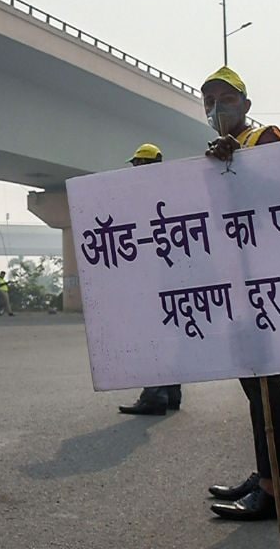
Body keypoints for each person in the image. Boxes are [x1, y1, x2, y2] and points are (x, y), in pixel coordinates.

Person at [200, 67, 280, 522]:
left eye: (225, 98)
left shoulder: (264, 138)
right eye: (209, 101)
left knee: (265, 385)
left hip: (264, 284)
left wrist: (240, 158)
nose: (217, 108)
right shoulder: (215, 153)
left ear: (246, 105)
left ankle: (276, 492)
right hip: (237, 281)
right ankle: (264, 476)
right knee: (253, 387)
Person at [118, 143, 183, 416]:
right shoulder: (174, 190)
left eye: (136, 164)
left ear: (144, 165)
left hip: (153, 277)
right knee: (170, 335)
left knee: (151, 335)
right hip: (173, 276)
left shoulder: (143, 194)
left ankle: (154, 395)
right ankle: (171, 393)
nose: (134, 169)